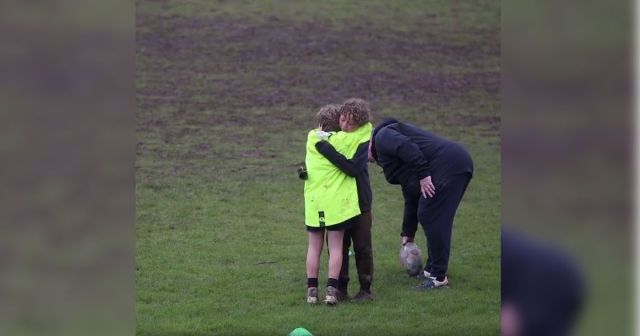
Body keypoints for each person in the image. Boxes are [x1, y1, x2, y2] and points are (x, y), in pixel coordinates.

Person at [370, 118, 473, 289]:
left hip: (451, 164)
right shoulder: (391, 153)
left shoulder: (382, 137)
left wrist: (424, 176)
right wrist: (407, 234)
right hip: (455, 162)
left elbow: (408, 148)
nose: (368, 161)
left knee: (432, 215)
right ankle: (432, 269)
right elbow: (411, 196)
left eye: (363, 154)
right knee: (428, 213)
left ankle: (438, 277)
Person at [302, 104, 371, 304]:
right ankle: (334, 291)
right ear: (337, 122)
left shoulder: (314, 138)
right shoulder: (348, 140)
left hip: (329, 203)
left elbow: (352, 168)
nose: (347, 125)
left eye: (351, 122)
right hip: (339, 205)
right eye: (343, 120)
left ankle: (314, 291)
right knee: (338, 248)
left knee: (318, 248)